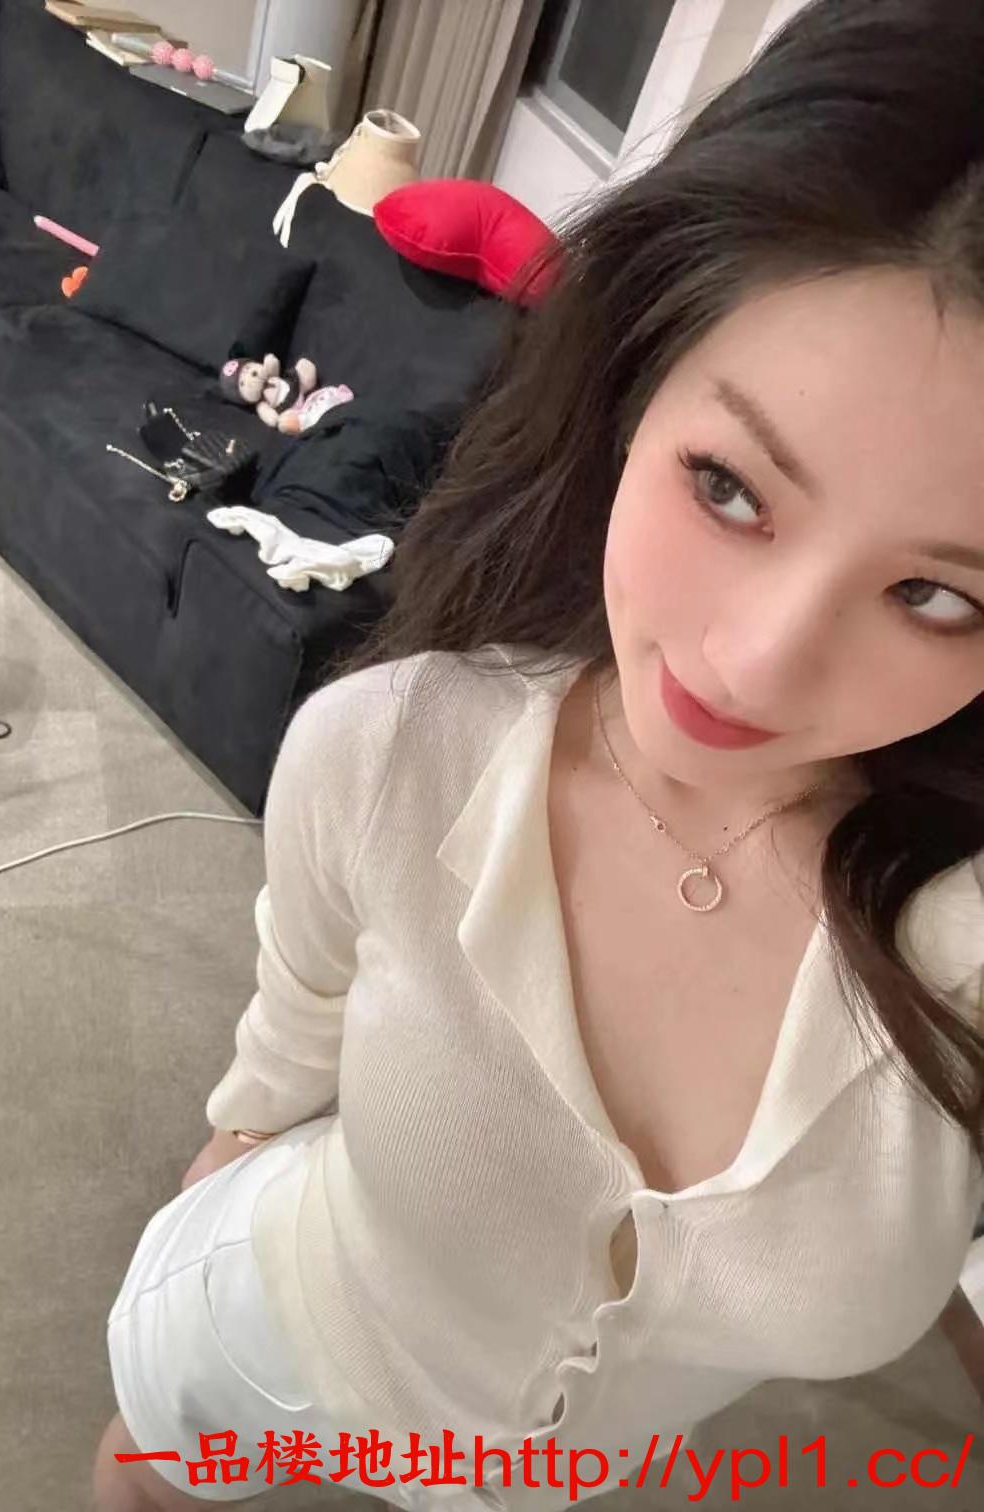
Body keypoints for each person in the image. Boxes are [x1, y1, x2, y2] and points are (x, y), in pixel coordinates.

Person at [92, 2, 984, 1508]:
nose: (756, 663)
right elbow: (294, 1019)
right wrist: (225, 1157)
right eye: (729, 487)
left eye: (938, 596)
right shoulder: (390, 748)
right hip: (263, 1330)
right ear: (634, 390)